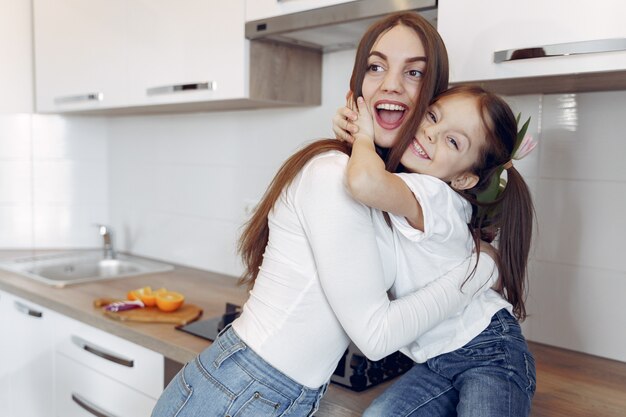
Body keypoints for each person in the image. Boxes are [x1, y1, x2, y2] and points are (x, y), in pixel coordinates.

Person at [151, 12, 499, 417]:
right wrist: (480, 271)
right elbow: (375, 335)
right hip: (239, 394)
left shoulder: (388, 188)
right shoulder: (332, 174)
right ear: (357, 87)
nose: (390, 83)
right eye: (376, 66)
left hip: (263, 393)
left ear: (434, 102)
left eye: (415, 73)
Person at [344, 85, 536, 416]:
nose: (430, 132)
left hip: (490, 352)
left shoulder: (433, 194)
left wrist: (363, 137)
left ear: (462, 179)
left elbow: (363, 182)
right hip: (436, 361)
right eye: (433, 116)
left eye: (453, 141)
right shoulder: (416, 190)